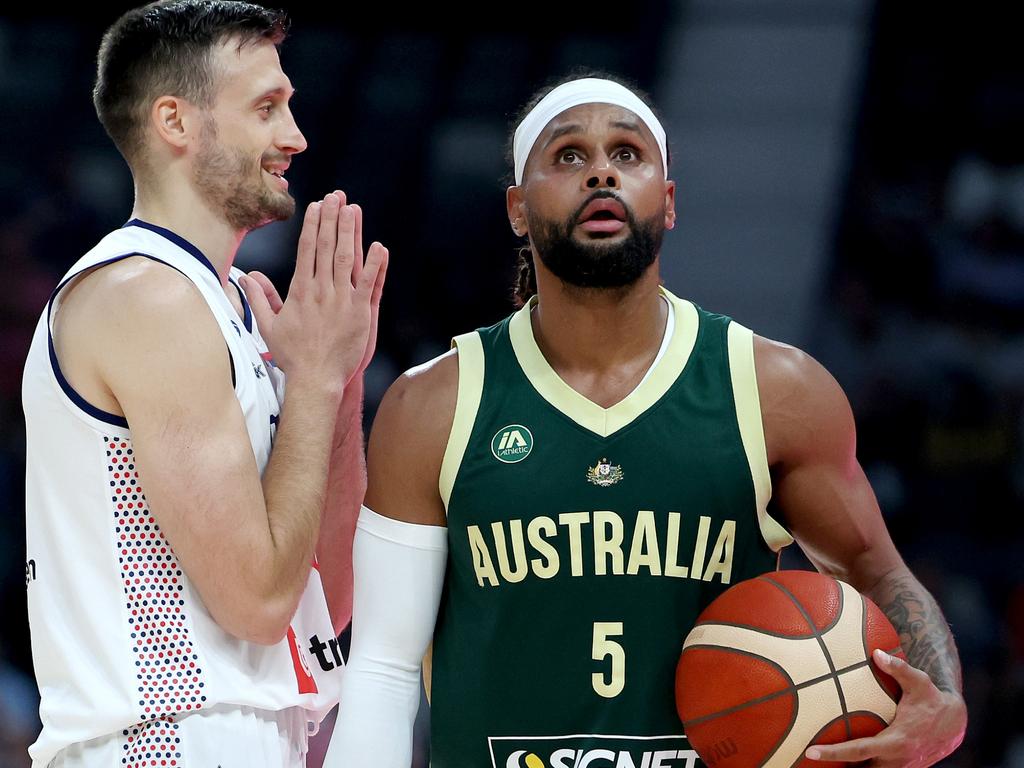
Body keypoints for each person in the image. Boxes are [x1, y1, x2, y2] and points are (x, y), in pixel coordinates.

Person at [324, 74, 966, 768]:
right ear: (516, 207)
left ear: (667, 202)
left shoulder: (776, 391)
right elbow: (384, 668)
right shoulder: (436, 404)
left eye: (627, 153)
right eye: (568, 155)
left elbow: (879, 570)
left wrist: (945, 701)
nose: (601, 169)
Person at [21, 1, 388, 766]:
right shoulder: (143, 298)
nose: (295, 136)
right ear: (175, 122)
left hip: (245, 735)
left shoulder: (223, 307)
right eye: (267, 107)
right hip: (162, 740)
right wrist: (313, 382)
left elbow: (318, 598)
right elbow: (254, 601)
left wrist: (338, 380)